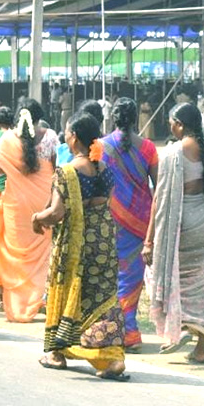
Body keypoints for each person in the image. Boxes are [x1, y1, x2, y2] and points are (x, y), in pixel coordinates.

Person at [33, 113, 128, 380]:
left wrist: (36, 218)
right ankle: (112, 359)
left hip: (76, 244)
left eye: (67, 132)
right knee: (103, 297)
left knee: (70, 292)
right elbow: (105, 203)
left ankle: (58, 352)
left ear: (74, 136)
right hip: (104, 241)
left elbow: (56, 213)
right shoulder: (106, 170)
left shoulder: (67, 171)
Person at [144, 102, 204, 364]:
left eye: (171, 123)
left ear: (179, 124)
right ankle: (200, 348)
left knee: (175, 277)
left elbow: (160, 200)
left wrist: (149, 240)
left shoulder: (172, 153)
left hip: (182, 228)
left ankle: (183, 325)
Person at [0, 102, 55, 321]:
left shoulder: (8, 139)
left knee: (15, 256)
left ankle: (17, 307)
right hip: (43, 204)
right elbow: (56, 173)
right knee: (40, 257)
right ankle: (35, 301)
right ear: (40, 117)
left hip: (15, 206)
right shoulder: (50, 137)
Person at [99, 97, 158, 352]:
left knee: (110, 275)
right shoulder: (148, 148)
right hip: (141, 222)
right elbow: (159, 188)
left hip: (109, 219)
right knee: (132, 277)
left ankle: (114, 329)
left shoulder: (99, 146)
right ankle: (129, 330)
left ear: (112, 118)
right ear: (135, 119)